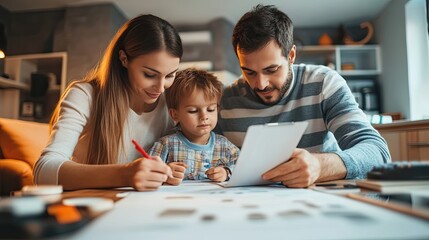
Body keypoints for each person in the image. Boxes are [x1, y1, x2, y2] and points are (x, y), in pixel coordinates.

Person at [216, 4, 391, 188]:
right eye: (249, 72)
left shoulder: (323, 83)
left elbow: (378, 152)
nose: (260, 84)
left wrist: (319, 166)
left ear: (291, 55)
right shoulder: (224, 101)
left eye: (271, 69)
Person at [33, 14, 183, 191]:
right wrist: (125, 174)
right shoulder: (85, 95)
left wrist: (166, 171)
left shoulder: (170, 103)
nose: (160, 87)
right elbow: (43, 172)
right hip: (92, 205)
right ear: (124, 58)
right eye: (149, 75)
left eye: (170, 75)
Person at [149, 68, 240, 185]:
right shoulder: (166, 145)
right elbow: (149, 170)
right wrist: (166, 173)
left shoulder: (224, 146)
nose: (204, 116)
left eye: (211, 109)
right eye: (193, 111)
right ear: (175, 114)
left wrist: (226, 172)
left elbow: (244, 167)